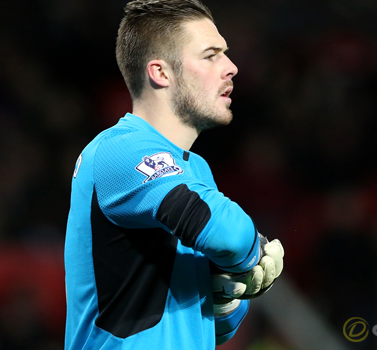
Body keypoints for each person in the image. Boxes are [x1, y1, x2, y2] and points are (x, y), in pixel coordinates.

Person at [63, 0, 284, 349]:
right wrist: (252, 254)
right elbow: (229, 235)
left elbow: (211, 327)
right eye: (211, 55)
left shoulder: (195, 169)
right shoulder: (119, 149)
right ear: (161, 73)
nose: (232, 67)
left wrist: (229, 292)